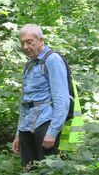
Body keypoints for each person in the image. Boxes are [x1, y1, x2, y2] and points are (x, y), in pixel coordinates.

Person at [12, 23, 70, 166]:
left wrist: (53, 131)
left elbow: (61, 99)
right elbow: (24, 102)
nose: (25, 47)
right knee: (28, 172)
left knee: (48, 174)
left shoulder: (52, 59)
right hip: (26, 125)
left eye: (29, 42)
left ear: (41, 40)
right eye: (22, 43)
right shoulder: (29, 64)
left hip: (45, 123)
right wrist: (18, 133)